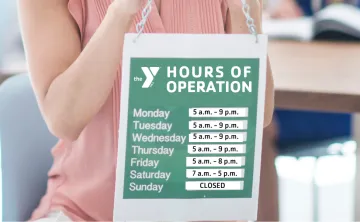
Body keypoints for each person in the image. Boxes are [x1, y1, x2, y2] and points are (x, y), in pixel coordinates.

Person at [18, 0, 275, 221]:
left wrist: (244, 11)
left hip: (206, 209)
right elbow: (64, 119)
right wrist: (120, 13)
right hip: (87, 212)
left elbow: (258, 117)